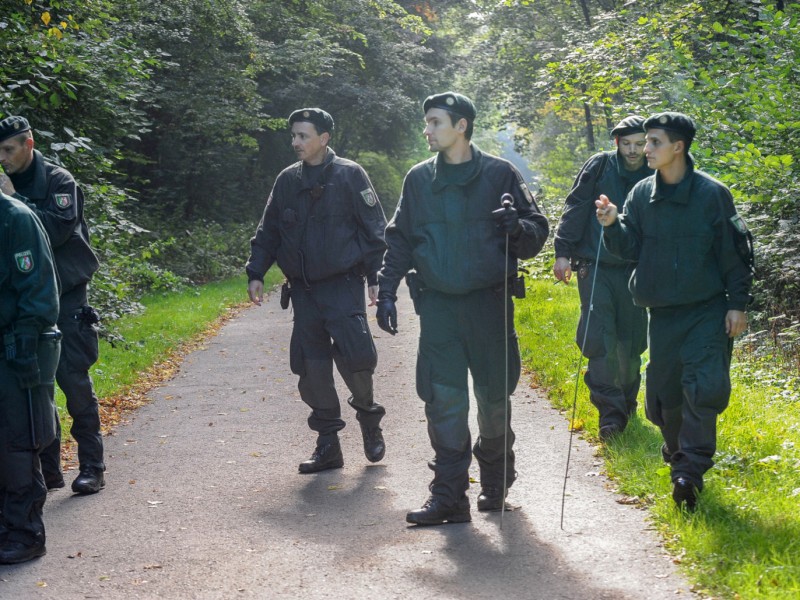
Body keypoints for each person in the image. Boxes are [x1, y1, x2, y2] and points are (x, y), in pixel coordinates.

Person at [376, 92, 549, 525]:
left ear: (462, 126)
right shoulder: (418, 180)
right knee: (442, 401)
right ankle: (450, 497)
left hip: (489, 307)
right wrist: (385, 290)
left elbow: (536, 233)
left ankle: (494, 486)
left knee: (494, 400)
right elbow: (400, 238)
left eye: (435, 122)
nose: (427, 130)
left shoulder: (500, 174)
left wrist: (518, 225)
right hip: (438, 312)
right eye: (427, 122)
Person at [596, 112, 754, 510]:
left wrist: (737, 304)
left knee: (703, 388)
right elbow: (629, 249)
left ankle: (689, 470)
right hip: (662, 313)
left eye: (653, 142)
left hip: (707, 309)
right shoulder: (640, 195)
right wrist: (613, 224)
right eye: (646, 142)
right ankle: (678, 454)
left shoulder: (712, 194)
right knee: (663, 400)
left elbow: (735, 255)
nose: (645, 149)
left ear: (677, 147)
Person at [246, 108, 388, 473]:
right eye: (293, 135)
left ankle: (369, 421)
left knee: (357, 361)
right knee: (312, 368)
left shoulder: (350, 175)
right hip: (304, 292)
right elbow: (270, 230)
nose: (295, 142)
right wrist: (256, 271)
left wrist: (376, 278)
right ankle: (329, 445)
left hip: (342, 286)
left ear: (324, 138)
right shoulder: (287, 181)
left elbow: (375, 229)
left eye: (303, 136)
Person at [0, 116, 104, 495]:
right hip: (25, 303)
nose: (2, 158)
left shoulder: (59, 181)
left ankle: (93, 465)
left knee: (73, 382)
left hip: (67, 297)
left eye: (8, 149)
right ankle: (49, 469)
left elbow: (58, 230)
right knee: (34, 389)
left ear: (28, 144)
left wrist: (15, 198)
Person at [553, 115, 653, 441]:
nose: (634, 150)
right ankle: (610, 418)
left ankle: (626, 405)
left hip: (636, 270)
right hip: (594, 267)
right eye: (627, 144)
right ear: (617, 143)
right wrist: (562, 252)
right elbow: (575, 207)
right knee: (599, 341)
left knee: (631, 342)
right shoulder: (599, 166)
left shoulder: (657, 172)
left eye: (640, 143)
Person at [0, 189, 62, 563]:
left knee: (17, 439)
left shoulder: (15, 218)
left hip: (18, 346)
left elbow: (38, 287)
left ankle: (26, 532)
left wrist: (25, 341)